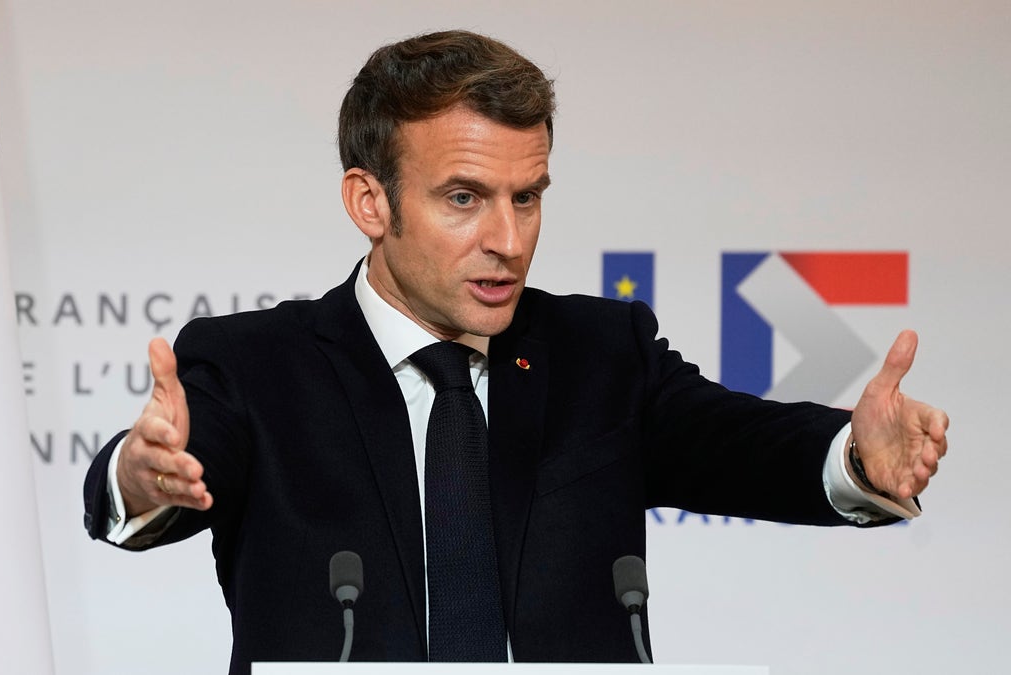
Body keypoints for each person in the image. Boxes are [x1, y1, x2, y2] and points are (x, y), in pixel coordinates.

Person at [83, 29, 948, 673]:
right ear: (369, 201)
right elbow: (173, 472)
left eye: (527, 196)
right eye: (464, 197)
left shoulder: (601, 355)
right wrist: (138, 474)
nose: (508, 238)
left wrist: (855, 456)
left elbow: (739, 445)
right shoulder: (257, 365)